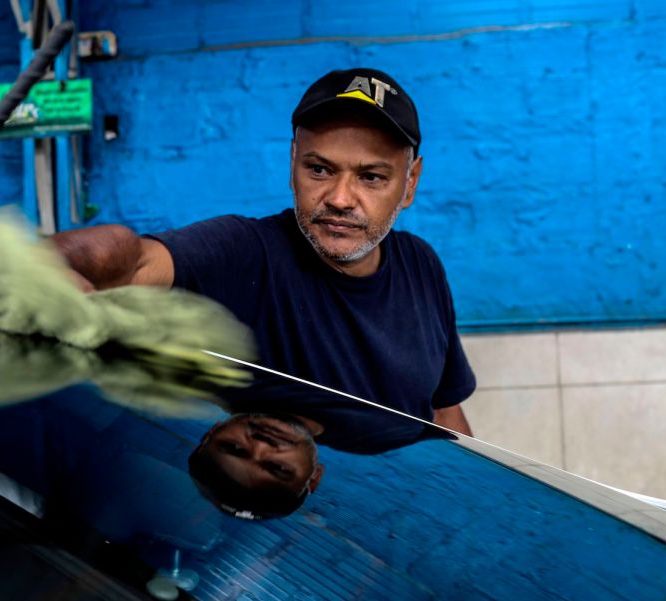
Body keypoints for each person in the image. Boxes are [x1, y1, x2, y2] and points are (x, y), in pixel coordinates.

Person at [53, 67, 476, 435]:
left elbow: (442, 410)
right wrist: (51, 262)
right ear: (293, 163)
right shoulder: (245, 253)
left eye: (371, 177)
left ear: (411, 183)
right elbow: (137, 259)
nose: (341, 198)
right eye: (319, 169)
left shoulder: (421, 264)